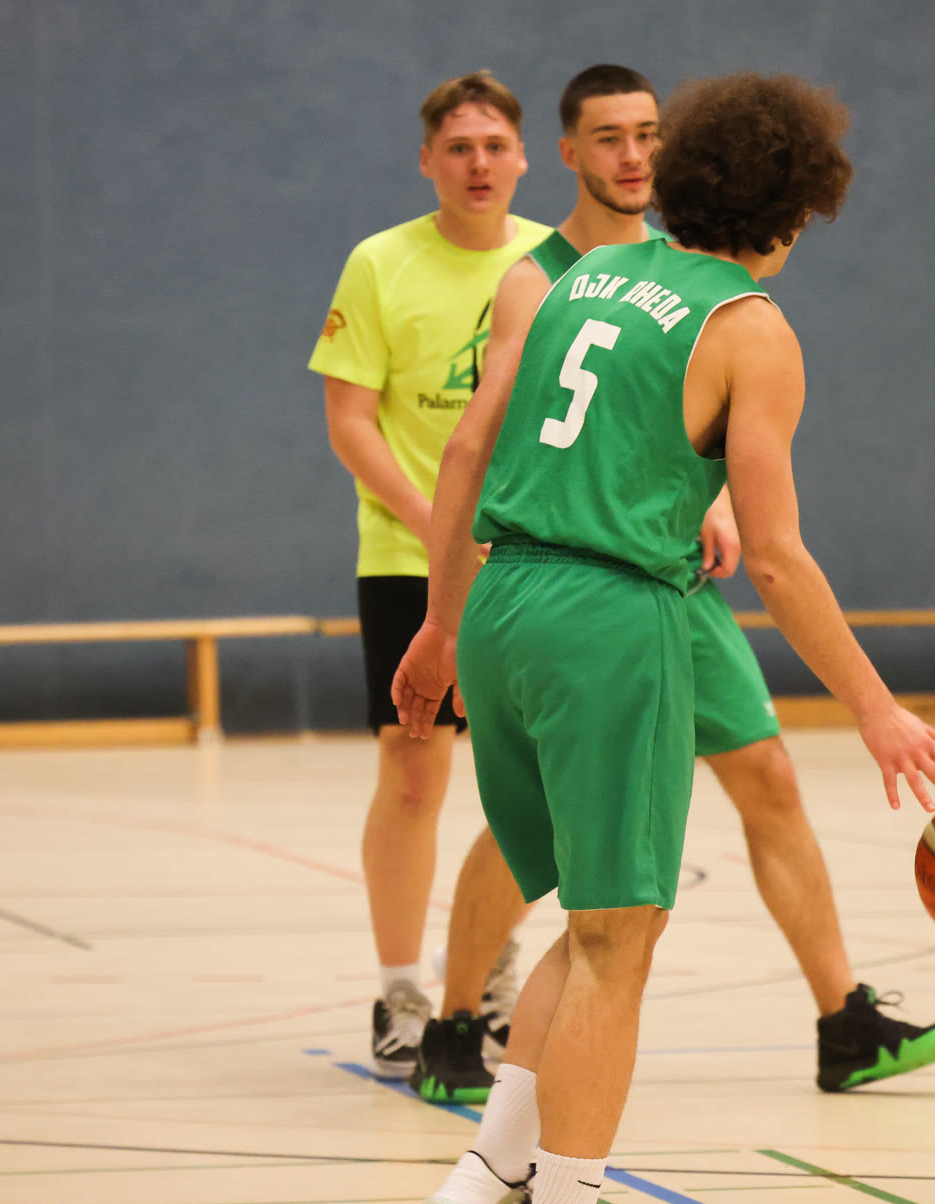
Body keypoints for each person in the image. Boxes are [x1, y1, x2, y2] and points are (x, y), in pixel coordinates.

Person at [395, 73, 935, 1204]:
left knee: (589, 918)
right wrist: (874, 705)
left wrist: (437, 622)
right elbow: (776, 558)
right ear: (796, 210)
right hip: (611, 620)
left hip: (503, 602)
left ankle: (489, 1179)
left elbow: (473, 444)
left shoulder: (580, 276)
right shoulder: (751, 328)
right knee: (620, 940)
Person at [307, 71, 547, 1079]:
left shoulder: (556, 262)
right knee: (414, 770)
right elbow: (349, 422)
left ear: (524, 157)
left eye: (493, 145)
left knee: (531, 776)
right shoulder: (380, 263)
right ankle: (402, 987)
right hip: (409, 557)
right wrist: (438, 522)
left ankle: (485, 971)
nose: (477, 163)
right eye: (457, 147)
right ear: (426, 161)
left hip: (532, 560)